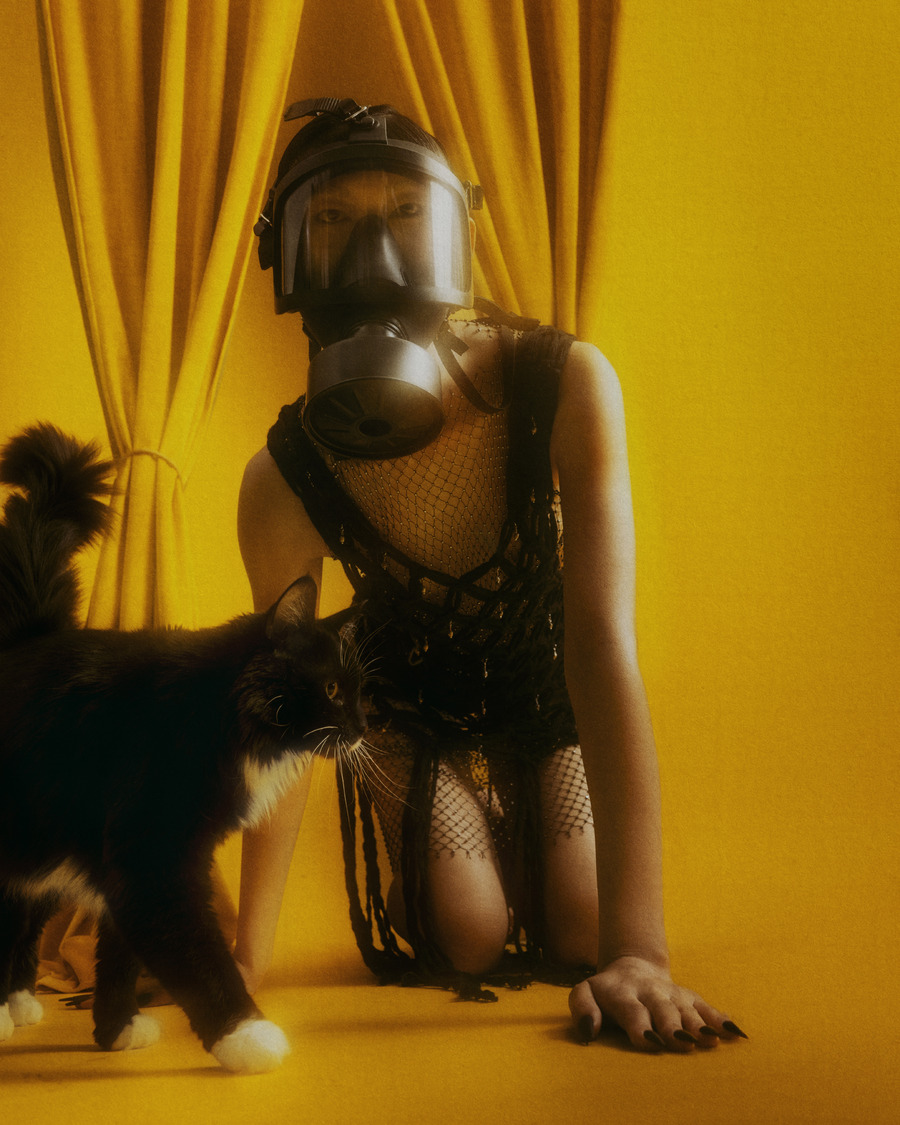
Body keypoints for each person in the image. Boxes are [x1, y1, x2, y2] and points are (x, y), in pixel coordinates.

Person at [234, 98, 746, 1052]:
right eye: (333, 218)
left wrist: (640, 952)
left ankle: (520, 821)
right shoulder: (282, 477)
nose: (375, 255)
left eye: (406, 212)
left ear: (457, 231)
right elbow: (290, 715)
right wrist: (242, 961)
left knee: (586, 927)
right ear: (285, 251)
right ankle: (447, 826)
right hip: (403, 707)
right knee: (469, 933)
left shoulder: (561, 382)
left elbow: (601, 644)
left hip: (544, 690)